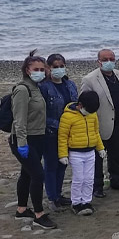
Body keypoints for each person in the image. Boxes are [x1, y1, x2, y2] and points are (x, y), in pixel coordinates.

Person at [10, 51, 57, 229]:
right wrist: (22, 144)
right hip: (23, 139)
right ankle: (39, 214)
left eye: (42, 69)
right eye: (35, 69)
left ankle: (21, 210)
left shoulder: (36, 87)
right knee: (38, 175)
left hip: (38, 137)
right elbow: (19, 120)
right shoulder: (23, 89)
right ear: (27, 70)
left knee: (26, 173)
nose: (40, 72)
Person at [81, 49, 119, 196]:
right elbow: (85, 103)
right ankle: (97, 186)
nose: (109, 62)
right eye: (105, 59)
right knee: (98, 156)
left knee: (116, 154)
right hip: (99, 124)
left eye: (111, 58)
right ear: (99, 61)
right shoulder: (89, 79)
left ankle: (116, 180)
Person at [39, 53, 78, 211]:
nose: (59, 69)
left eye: (61, 66)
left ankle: (59, 194)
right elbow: (41, 113)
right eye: (55, 67)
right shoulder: (44, 87)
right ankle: (52, 197)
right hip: (51, 132)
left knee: (63, 163)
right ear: (48, 68)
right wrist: (58, 124)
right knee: (51, 164)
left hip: (69, 131)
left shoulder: (71, 85)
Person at [58, 91, 103, 216]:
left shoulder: (92, 114)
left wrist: (100, 148)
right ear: (80, 105)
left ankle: (87, 201)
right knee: (79, 179)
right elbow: (62, 137)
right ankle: (76, 202)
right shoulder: (67, 117)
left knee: (89, 179)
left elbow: (96, 132)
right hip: (76, 153)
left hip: (90, 152)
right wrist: (63, 155)